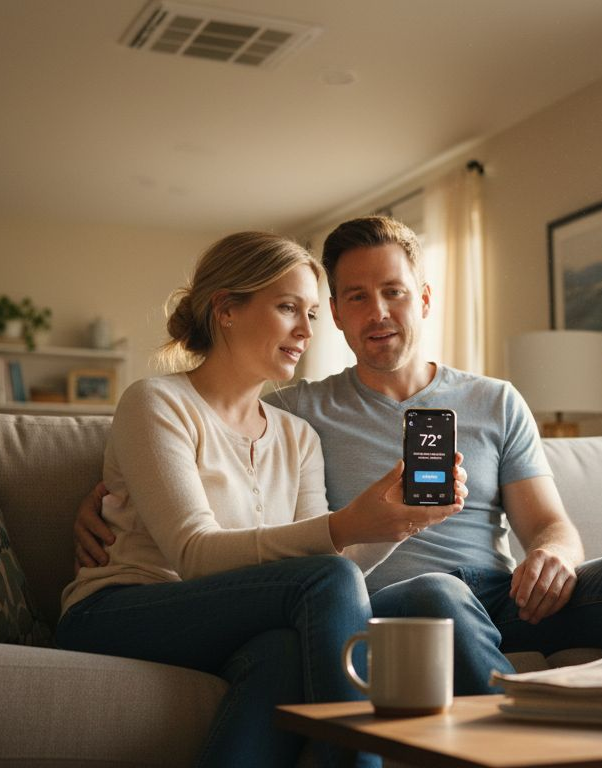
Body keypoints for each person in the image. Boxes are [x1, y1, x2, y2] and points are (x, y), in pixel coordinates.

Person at [74, 217, 602, 697]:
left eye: (393, 292)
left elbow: (550, 524)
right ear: (341, 321)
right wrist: (108, 500)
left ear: (423, 299)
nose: (377, 312)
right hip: (401, 599)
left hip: (503, 592)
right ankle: (523, 739)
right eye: (353, 298)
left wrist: (553, 557)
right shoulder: (298, 411)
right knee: (435, 594)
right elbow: (214, 449)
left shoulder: (495, 400)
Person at [56, 231, 466, 768]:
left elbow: (323, 567)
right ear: (226, 309)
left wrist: (395, 524)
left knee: (285, 651)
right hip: (120, 610)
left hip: (231, 620)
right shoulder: (156, 403)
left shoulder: (298, 437)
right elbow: (195, 553)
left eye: (313, 314)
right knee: (330, 582)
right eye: (287, 308)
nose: (305, 330)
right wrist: (345, 525)